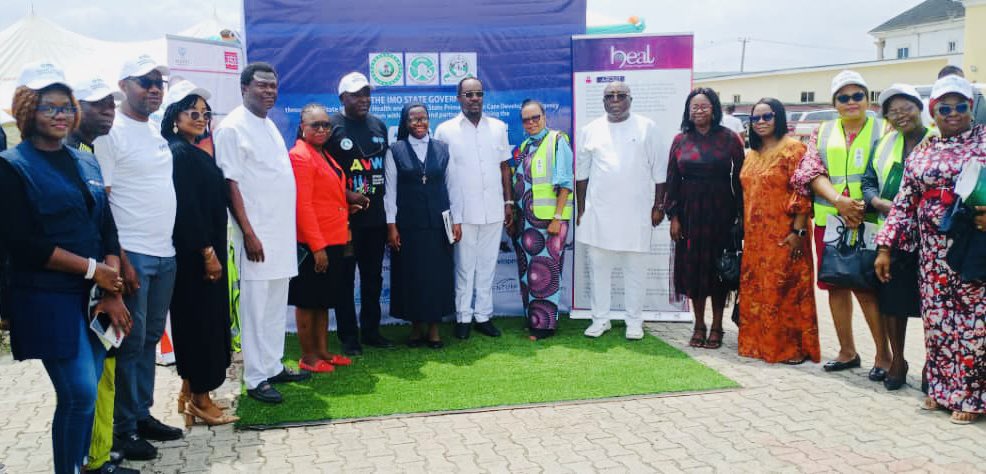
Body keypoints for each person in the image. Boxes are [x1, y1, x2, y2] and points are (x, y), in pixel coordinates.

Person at [0, 61, 128, 474]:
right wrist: (95, 271)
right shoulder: (11, 165)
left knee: (84, 396)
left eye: (65, 107)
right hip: (46, 295)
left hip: (92, 296)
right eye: (47, 107)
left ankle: (75, 465)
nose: (60, 115)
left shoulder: (85, 162)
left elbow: (106, 228)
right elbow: (24, 244)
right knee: (79, 391)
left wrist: (110, 288)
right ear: (27, 111)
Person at [875, 74, 986, 424]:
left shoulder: (983, 141)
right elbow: (905, 201)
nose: (952, 113)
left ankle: (971, 396)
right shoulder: (926, 148)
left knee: (971, 324)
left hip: (971, 245)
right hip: (931, 253)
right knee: (937, 321)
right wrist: (886, 247)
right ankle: (941, 390)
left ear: (972, 109)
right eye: (944, 108)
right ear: (933, 112)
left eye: (960, 106)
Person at [92, 54, 183, 460]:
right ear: (123, 84)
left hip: (165, 252)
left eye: (158, 83)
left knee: (147, 341)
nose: (153, 89)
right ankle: (121, 431)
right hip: (134, 256)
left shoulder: (155, 133)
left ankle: (140, 415)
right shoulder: (110, 134)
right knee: (128, 345)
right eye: (145, 81)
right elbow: (103, 204)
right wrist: (122, 260)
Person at [214, 62, 310, 405]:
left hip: (280, 234)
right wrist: (249, 233)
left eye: (273, 86)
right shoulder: (232, 128)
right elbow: (230, 184)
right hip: (256, 237)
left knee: (273, 305)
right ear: (244, 88)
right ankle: (255, 378)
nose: (269, 91)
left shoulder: (267, 124)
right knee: (255, 308)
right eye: (262, 86)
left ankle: (271, 365)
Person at [790, 70, 890, 379]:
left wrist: (859, 207)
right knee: (835, 284)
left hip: (871, 221)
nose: (851, 102)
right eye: (843, 97)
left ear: (867, 98)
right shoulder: (824, 130)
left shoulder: (884, 128)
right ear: (834, 103)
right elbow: (810, 171)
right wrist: (839, 202)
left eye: (857, 95)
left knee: (867, 289)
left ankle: (884, 355)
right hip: (831, 220)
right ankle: (847, 351)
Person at [160, 80, 238, 426]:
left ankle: (189, 391)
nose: (200, 118)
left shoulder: (192, 149)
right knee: (200, 324)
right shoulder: (178, 153)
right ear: (175, 116)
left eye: (205, 113)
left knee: (204, 320)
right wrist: (207, 252)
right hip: (197, 255)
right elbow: (186, 209)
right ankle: (200, 400)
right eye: (193, 112)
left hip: (206, 249)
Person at [69, 77, 136, 473]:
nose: (108, 110)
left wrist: (114, 273)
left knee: (106, 367)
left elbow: (106, 224)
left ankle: (100, 453)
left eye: (110, 103)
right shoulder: (66, 155)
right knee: (86, 380)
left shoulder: (90, 155)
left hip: (103, 281)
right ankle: (89, 459)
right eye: (98, 105)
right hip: (78, 285)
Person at [576, 82, 666, 340]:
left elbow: (660, 172)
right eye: (609, 96)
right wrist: (582, 208)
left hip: (636, 215)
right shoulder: (590, 130)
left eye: (620, 95)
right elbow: (582, 173)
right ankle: (600, 319)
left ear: (630, 98)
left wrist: (659, 206)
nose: (615, 100)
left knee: (635, 272)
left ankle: (634, 322)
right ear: (603, 101)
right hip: (598, 215)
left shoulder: (647, 127)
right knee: (599, 271)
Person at [861, 84, 936, 390]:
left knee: (936, 305)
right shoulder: (885, 142)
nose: (900, 115)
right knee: (892, 301)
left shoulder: (938, 140)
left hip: (932, 237)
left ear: (920, 108)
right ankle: (898, 360)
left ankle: (934, 364)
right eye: (893, 111)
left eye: (906, 108)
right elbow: (868, 181)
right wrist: (878, 202)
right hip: (891, 235)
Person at [736, 98, 819, 364]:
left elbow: (803, 192)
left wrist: (798, 232)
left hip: (786, 234)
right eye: (756, 118)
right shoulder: (752, 154)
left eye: (767, 116)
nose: (761, 122)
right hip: (756, 238)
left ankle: (791, 349)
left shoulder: (794, 150)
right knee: (760, 291)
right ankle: (759, 344)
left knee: (787, 291)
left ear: (779, 117)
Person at [665, 88, 745, 349]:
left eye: (704, 106)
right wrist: (673, 216)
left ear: (714, 109)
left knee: (718, 272)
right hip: (689, 215)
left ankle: (718, 326)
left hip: (721, 213)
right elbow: (672, 181)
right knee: (694, 272)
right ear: (688, 111)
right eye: (694, 107)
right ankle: (698, 325)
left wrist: (740, 216)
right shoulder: (680, 140)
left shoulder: (729, 139)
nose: (699, 111)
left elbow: (740, 180)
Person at [435, 77, 512, 340]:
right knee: (465, 267)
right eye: (468, 94)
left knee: (488, 266)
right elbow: (440, 174)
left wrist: (508, 202)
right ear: (459, 98)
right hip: (462, 212)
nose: (474, 98)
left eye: (478, 93)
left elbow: (504, 167)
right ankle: (463, 317)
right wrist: (449, 213)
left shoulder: (498, 127)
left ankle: (483, 316)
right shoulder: (445, 130)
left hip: (493, 209)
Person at [325, 72, 393, 355]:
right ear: (342, 98)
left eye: (366, 93)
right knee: (344, 279)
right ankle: (348, 337)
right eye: (356, 94)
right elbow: (323, 173)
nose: (363, 99)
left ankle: (371, 331)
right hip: (344, 219)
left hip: (374, 218)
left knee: (372, 277)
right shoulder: (330, 126)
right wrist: (345, 195)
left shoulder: (378, 124)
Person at [385, 103, 458, 347]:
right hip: (408, 225)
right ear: (405, 123)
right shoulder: (395, 150)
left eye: (423, 119)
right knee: (411, 276)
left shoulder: (442, 149)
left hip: (438, 224)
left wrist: (456, 220)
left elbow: (453, 188)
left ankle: (434, 328)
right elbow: (390, 192)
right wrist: (391, 225)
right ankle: (415, 327)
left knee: (436, 276)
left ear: (429, 121)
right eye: (413, 120)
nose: (419, 123)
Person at [288, 103, 354, 371]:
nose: (322, 129)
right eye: (315, 125)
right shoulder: (300, 156)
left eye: (326, 125)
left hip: (334, 238)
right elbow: (302, 205)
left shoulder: (323, 154)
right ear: (302, 128)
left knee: (323, 300)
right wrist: (317, 248)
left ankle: (323, 351)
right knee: (308, 301)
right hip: (314, 242)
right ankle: (308, 357)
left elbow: (329, 197)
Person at [509, 99, 574, 340]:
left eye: (536, 117)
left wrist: (557, 217)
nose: (532, 122)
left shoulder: (558, 141)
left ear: (545, 117)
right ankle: (533, 319)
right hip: (526, 223)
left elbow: (566, 182)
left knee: (546, 273)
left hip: (549, 223)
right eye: (526, 119)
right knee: (529, 273)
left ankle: (545, 326)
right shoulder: (524, 146)